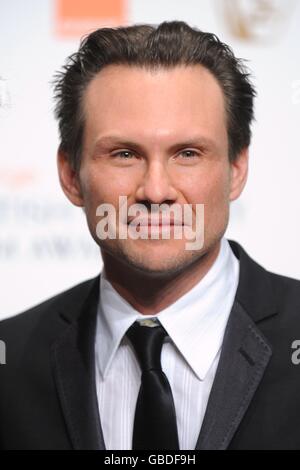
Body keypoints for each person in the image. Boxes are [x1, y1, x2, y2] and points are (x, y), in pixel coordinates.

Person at [1, 20, 300, 451]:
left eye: (188, 154)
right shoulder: (9, 362)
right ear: (70, 175)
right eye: (124, 154)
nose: (156, 191)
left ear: (236, 170)